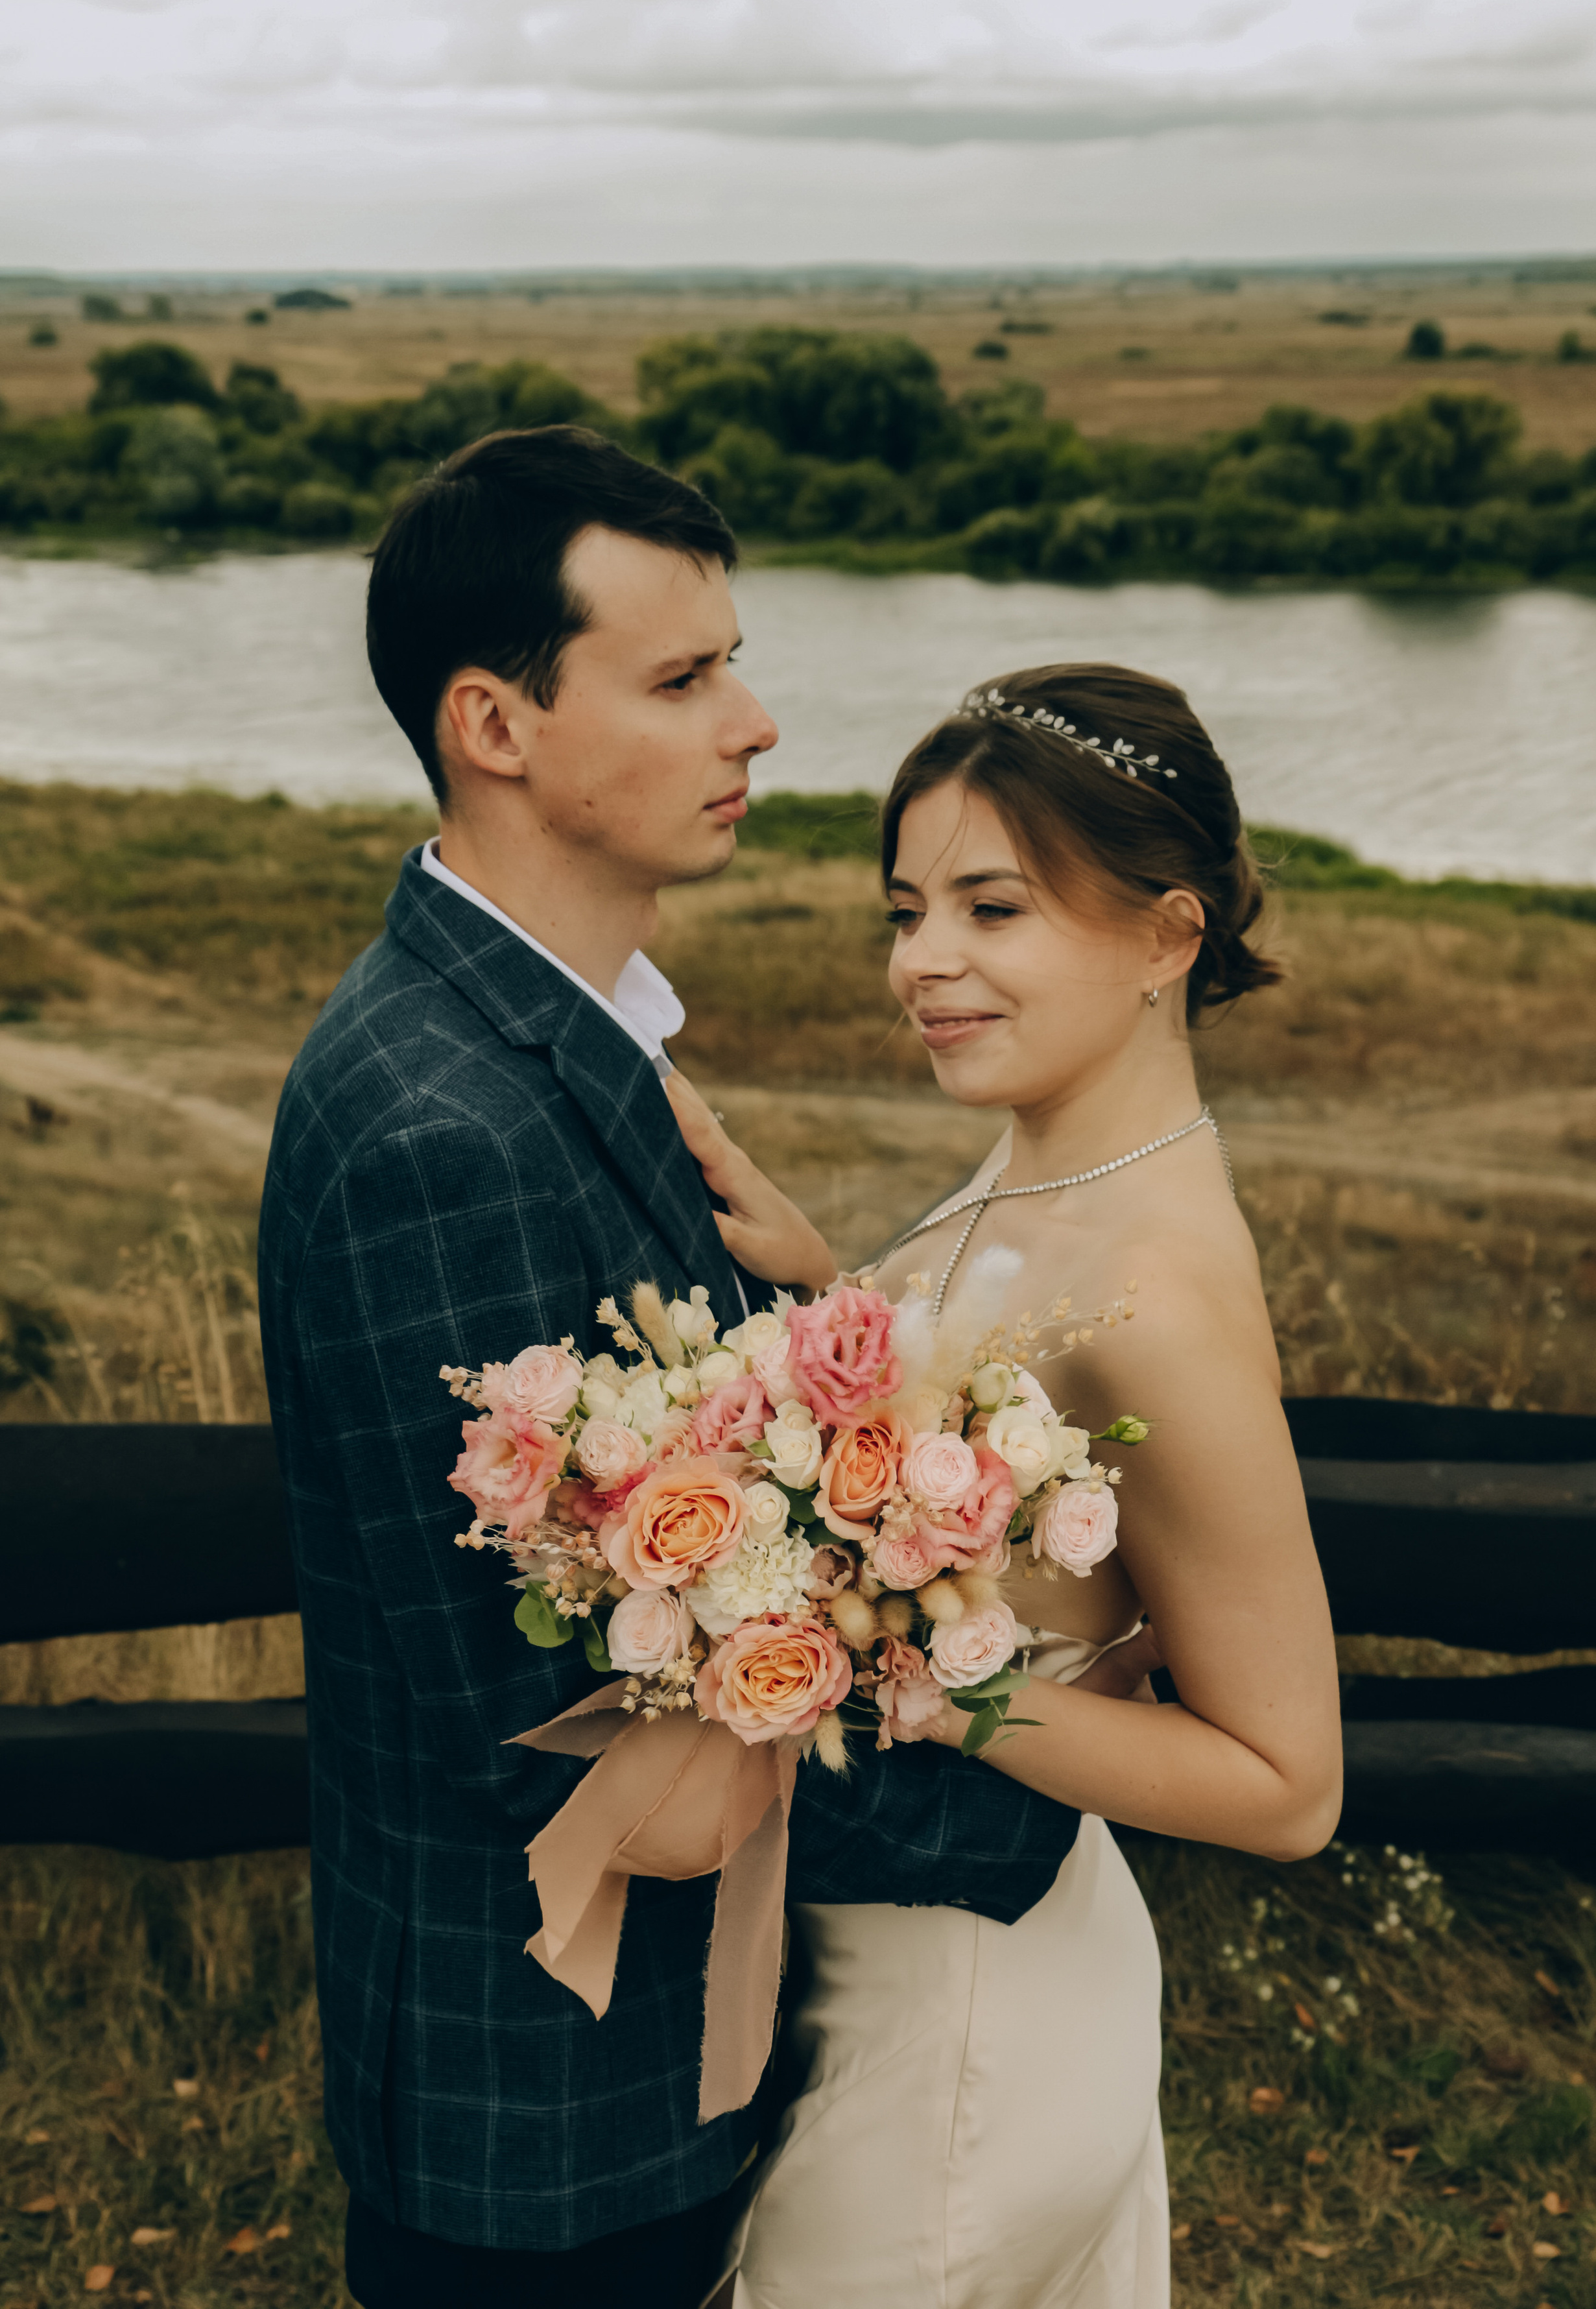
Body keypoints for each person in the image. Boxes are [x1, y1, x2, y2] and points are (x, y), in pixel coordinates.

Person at [257, 428, 1088, 2309]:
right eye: (685, 678)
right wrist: (1043, 1786)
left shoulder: (570, 1042)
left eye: (737, 665)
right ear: (498, 723)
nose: (759, 725)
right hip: (537, 2118)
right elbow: (547, 1720)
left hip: (630, 2081)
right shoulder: (436, 1133)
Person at [669, 662, 1344, 2309]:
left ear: (1164, 937)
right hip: (885, 1956)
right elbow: (991, 1466)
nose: (925, 964)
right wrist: (826, 1298)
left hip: (976, 2020)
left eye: (993, 907)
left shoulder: (1158, 1294)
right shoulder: (1043, 1156)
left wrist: (917, 1687)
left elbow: (1284, 1784)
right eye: (906, 910)